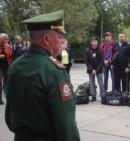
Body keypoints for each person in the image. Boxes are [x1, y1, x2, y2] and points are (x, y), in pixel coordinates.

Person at [5, 10, 80, 140]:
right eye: (59, 37)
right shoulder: (54, 71)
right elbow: (66, 124)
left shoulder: (15, 67)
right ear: (46, 39)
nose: (62, 42)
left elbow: (10, 117)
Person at [85, 37, 106, 101]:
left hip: (99, 70)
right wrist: (92, 69)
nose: (95, 42)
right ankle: (93, 96)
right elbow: (86, 61)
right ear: (91, 42)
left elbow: (102, 61)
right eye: (93, 41)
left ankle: (103, 95)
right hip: (90, 70)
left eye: (96, 41)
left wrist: (96, 70)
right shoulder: (88, 50)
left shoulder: (100, 50)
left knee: (101, 83)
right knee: (92, 83)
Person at [0, 33, 12, 104]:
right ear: (0, 38)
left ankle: (9, 97)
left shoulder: (7, 46)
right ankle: (0, 98)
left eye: (7, 39)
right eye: (5, 39)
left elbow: (10, 55)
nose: (6, 40)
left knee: (8, 81)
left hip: (6, 65)